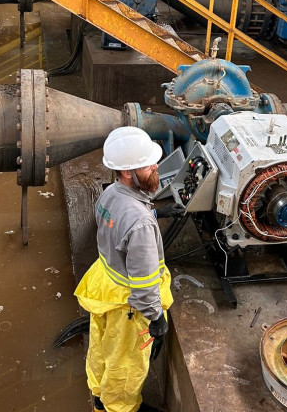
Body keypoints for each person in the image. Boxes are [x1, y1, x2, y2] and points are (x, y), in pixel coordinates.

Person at [75, 126, 179, 412]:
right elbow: (144, 287)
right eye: (147, 164)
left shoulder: (110, 194)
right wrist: (156, 319)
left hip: (106, 290)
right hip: (129, 308)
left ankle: (98, 396)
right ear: (125, 173)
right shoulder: (141, 226)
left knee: (101, 347)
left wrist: (155, 212)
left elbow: (121, 224)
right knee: (127, 364)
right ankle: (119, 408)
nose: (155, 165)